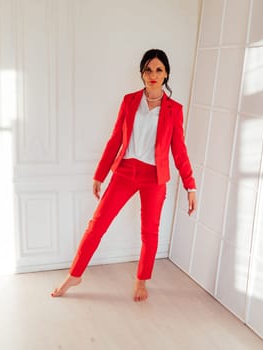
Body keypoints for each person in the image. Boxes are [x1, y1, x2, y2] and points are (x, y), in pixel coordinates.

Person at [51, 49, 197, 302]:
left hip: (154, 176)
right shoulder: (130, 101)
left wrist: (190, 186)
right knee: (97, 225)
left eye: (159, 70)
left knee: (150, 232)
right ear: (141, 73)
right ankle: (75, 274)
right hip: (125, 171)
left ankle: (141, 280)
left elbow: (179, 151)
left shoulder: (174, 110)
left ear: (166, 75)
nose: (153, 75)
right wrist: (99, 174)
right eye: (148, 70)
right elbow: (115, 139)